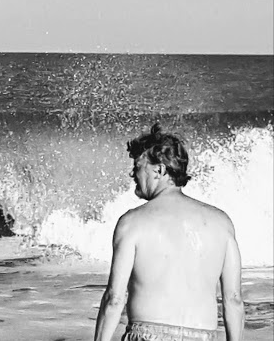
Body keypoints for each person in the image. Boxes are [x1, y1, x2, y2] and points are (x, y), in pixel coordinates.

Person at [94, 123, 244, 341]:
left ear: (159, 170)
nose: (133, 174)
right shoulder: (221, 223)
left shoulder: (132, 223)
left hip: (148, 335)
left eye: (138, 166)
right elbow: (234, 300)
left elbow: (114, 299)